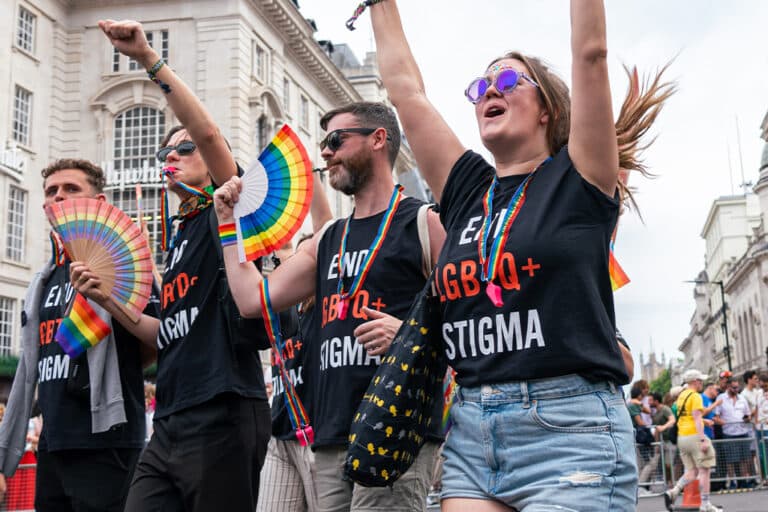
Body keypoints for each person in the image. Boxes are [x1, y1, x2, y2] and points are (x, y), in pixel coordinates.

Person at [366, 0, 668, 508]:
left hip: (572, 431)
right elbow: (406, 91)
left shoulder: (580, 179)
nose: (489, 92)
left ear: (546, 108)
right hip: (474, 434)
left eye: (507, 82)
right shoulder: (466, 191)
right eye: (480, 88)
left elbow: (590, 52)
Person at [213, 100, 446, 512]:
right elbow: (254, 300)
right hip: (331, 433)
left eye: (337, 140)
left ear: (378, 140)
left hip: (396, 429)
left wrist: (410, 336)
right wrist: (228, 224)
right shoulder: (328, 238)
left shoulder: (424, 223)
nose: (326, 151)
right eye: (324, 143)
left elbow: (476, 314)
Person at [100, 19, 271, 511]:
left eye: (185, 148)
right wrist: (106, 297)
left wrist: (148, 59)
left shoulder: (232, 208)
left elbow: (209, 132)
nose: (172, 155)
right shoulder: (177, 237)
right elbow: (167, 334)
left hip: (223, 410)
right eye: (166, 151)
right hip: (170, 417)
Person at [0, 158, 160, 511]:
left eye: (71, 189)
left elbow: (158, 344)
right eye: (52, 192)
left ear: (99, 204)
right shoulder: (43, 280)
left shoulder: (124, 266)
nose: (59, 197)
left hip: (106, 443)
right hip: (54, 441)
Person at [664, 370, 721, 512]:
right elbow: (695, 418)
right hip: (695, 435)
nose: (702, 383)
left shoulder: (682, 395)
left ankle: (674, 491)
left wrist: (704, 421)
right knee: (704, 471)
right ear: (695, 381)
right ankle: (705, 504)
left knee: (692, 471)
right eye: (700, 380)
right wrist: (703, 439)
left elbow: (686, 417)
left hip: (682, 437)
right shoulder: (695, 396)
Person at [716, 378, 753, 489]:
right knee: (731, 459)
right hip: (729, 433)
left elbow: (748, 414)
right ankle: (732, 481)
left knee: (743, 458)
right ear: (728, 387)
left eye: (737, 387)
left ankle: (742, 481)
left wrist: (747, 418)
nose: (736, 390)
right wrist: (723, 422)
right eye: (734, 387)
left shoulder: (742, 398)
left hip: (742, 431)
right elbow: (716, 416)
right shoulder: (721, 398)